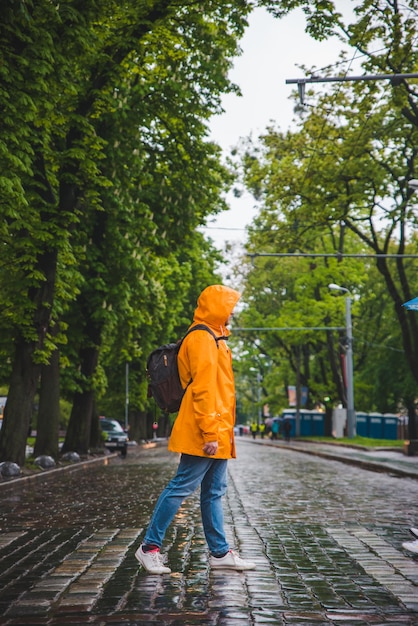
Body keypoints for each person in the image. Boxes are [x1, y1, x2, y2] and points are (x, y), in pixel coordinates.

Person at [135, 285, 256, 575]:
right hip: (206, 429)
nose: (232, 311)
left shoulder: (216, 338)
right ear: (216, 307)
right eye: (229, 306)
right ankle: (149, 548)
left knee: (214, 491)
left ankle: (219, 553)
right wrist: (210, 434)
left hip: (217, 428)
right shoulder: (202, 338)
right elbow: (203, 389)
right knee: (180, 487)